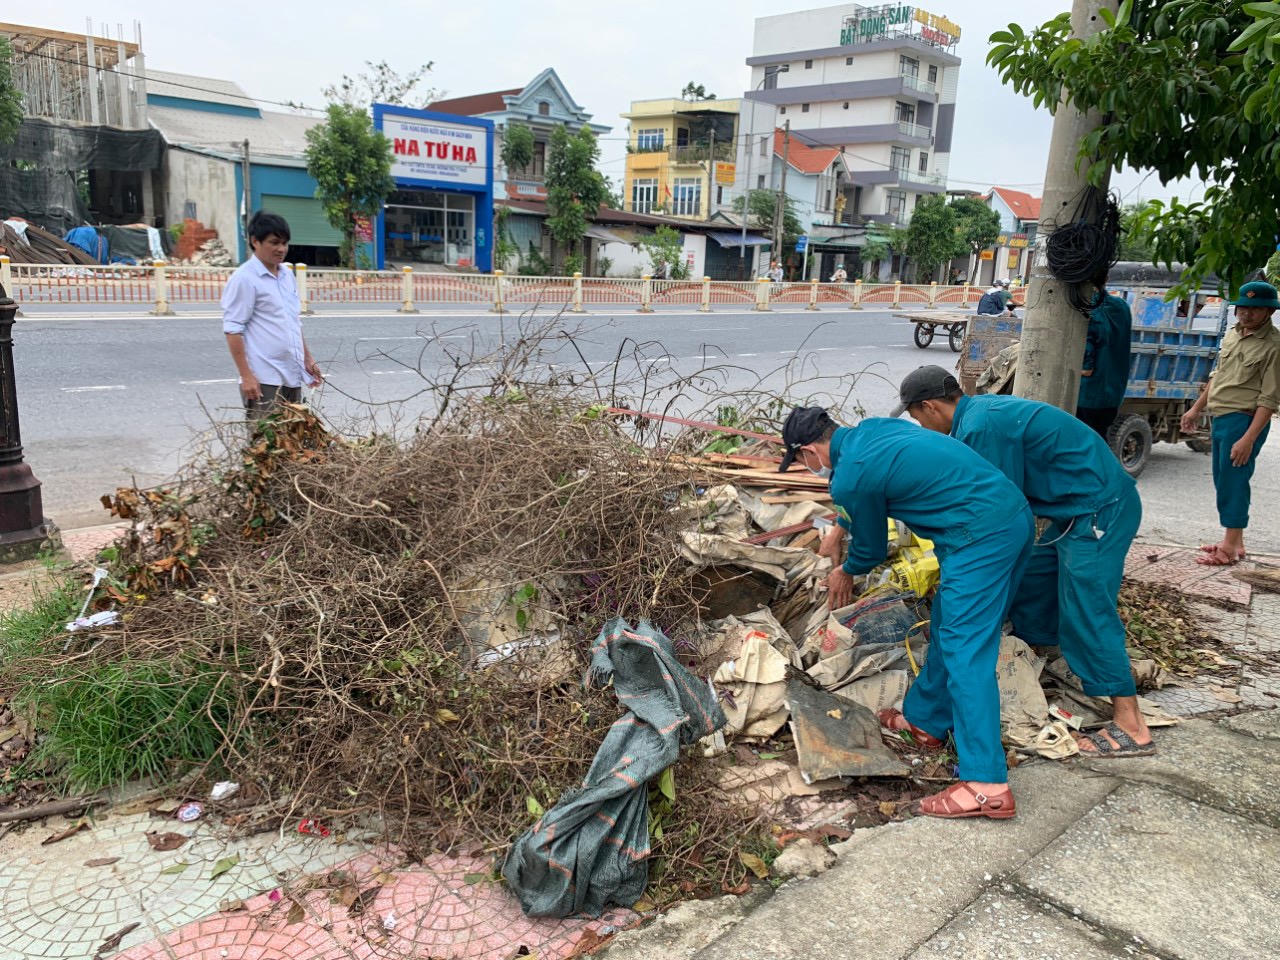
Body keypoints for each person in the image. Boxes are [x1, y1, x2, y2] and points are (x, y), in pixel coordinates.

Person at [780, 406, 1033, 820]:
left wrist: (846, 571)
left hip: (980, 537)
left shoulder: (848, 477)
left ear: (809, 451)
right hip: (1009, 518)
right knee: (948, 629)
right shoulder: (874, 430)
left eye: (803, 460)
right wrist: (840, 530)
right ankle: (926, 721)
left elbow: (872, 547)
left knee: (966, 650)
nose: (807, 467)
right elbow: (864, 494)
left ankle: (987, 785)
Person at [894, 366, 1155, 758]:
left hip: (1101, 512)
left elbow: (994, 511)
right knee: (1033, 578)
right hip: (1073, 513)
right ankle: (1046, 658)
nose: (920, 426)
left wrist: (964, 592)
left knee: (1087, 611)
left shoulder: (981, 430)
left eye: (916, 418)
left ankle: (1130, 723)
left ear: (930, 407)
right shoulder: (978, 414)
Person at [1179, 280, 1280, 565]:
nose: (1247, 314)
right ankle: (1236, 542)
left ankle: (1227, 550)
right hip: (1222, 416)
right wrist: (1196, 409)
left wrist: (1248, 438)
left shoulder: (1274, 346)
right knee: (1225, 481)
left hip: (1244, 420)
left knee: (1233, 482)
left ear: (1269, 312)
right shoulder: (1233, 335)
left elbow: (1269, 398)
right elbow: (1217, 377)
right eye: (1243, 308)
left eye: (1255, 309)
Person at [222, 212, 323, 419]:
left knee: (294, 443)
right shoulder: (245, 279)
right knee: (266, 443)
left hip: (291, 374)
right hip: (264, 378)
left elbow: (292, 322)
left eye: (285, 243)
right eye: (274, 242)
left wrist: (308, 359)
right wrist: (247, 376)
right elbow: (233, 330)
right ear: (255, 241)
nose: (281, 249)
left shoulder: (286, 275)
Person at [1077, 276, 1133, 438]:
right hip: (1113, 395)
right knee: (1099, 441)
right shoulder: (1122, 307)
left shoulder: (1087, 310)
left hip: (1088, 395)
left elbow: (1086, 368)